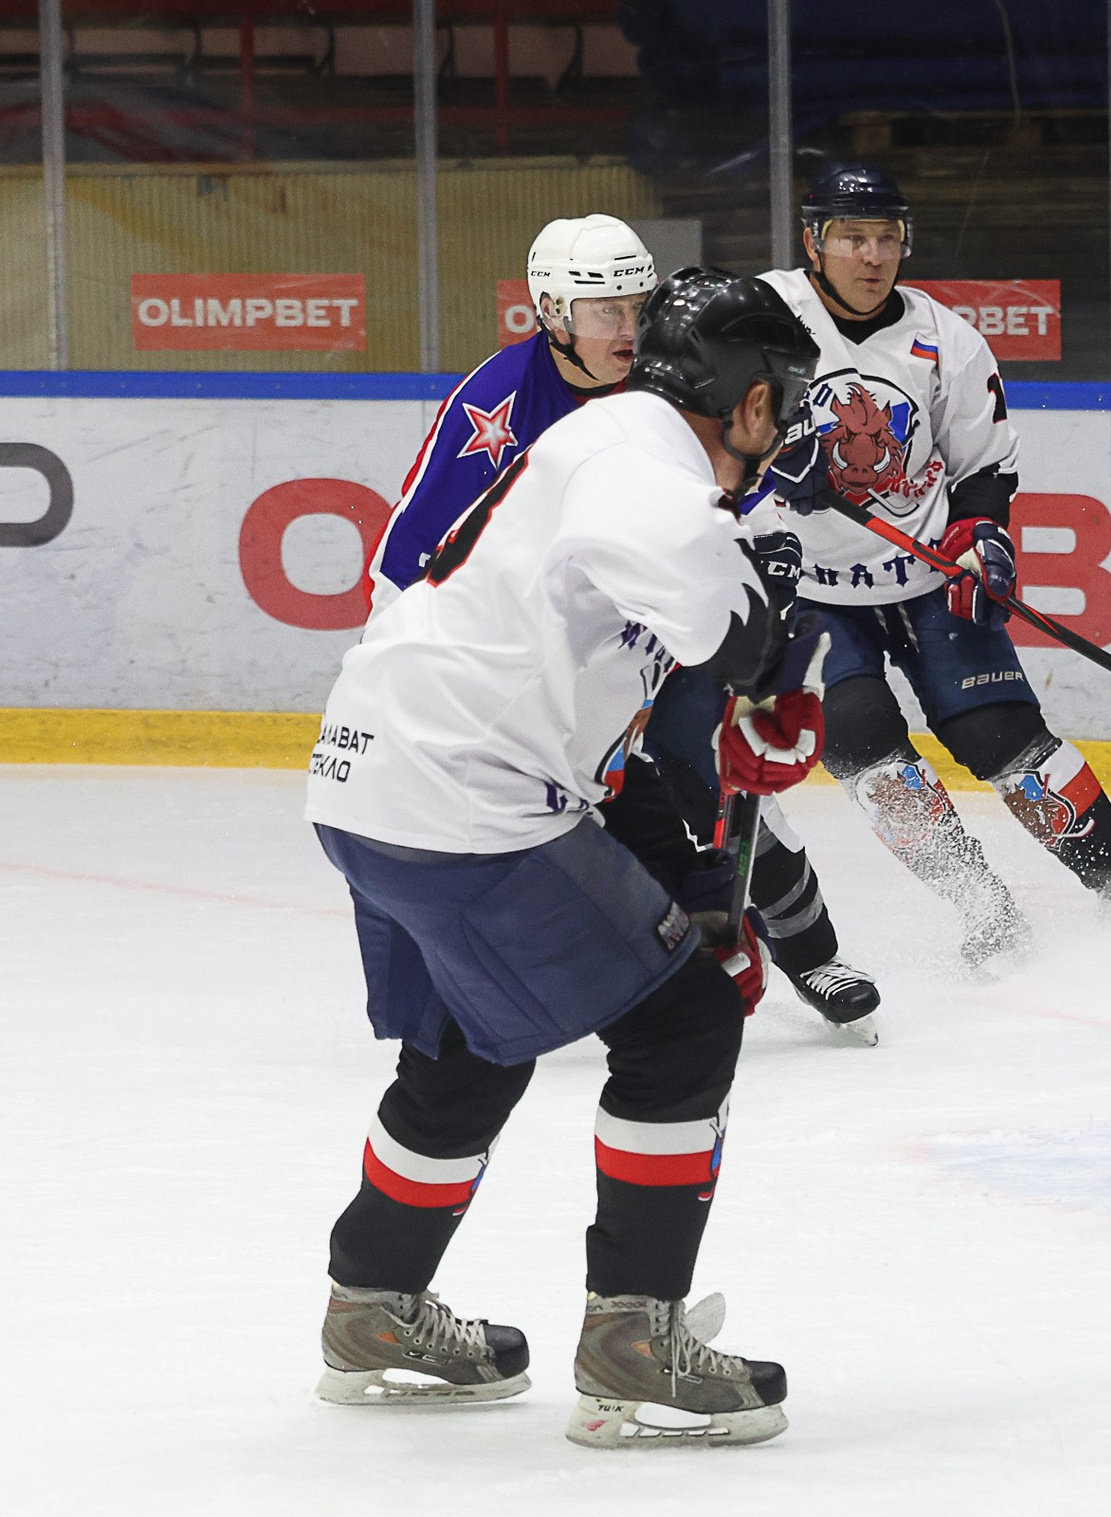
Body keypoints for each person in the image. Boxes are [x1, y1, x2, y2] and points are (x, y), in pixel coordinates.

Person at [306, 268, 826, 1446]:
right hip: (465, 799)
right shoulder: (648, 472)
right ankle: (633, 1339)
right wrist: (773, 661)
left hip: (375, 776)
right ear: (746, 404)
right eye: (780, 400)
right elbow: (725, 630)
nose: (785, 427)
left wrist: (689, 870)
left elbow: (619, 712)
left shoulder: (607, 437)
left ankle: (371, 1305)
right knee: (684, 1031)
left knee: (473, 1045)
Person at [368, 213, 880, 1036]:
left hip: (662, 631)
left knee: (715, 774)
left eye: (638, 305)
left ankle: (811, 952)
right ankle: (509, 988)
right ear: (551, 311)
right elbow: (410, 553)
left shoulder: (675, 375)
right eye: (606, 310)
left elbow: (717, 499)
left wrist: (772, 510)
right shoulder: (498, 402)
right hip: (559, 658)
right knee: (554, 818)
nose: (629, 329)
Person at [755, 160, 1111, 971]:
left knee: (1004, 736)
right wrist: (769, 452)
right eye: (851, 237)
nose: (872, 255)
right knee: (857, 738)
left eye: (886, 237)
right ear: (814, 241)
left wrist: (983, 538)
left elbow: (984, 470)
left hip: (925, 580)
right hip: (811, 591)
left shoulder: (945, 338)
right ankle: (984, 908)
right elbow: (684, 356)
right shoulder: (765, 314)